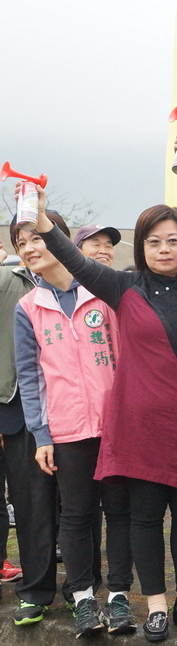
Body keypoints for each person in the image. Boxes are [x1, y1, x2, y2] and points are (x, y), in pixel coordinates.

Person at [37, 196, 177, 643]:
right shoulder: (124, 288)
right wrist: (45, 222)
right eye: (155, 241)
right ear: (142, 247)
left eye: (173, 241)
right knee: (144, 517)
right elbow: (73, 260)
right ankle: (157, 606)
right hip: (139, 426)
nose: (164, 249)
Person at [13, 211, 135, 637]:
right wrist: (41, 435)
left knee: (120, 512)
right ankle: (83, 597)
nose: (28, 248)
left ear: (58, 241)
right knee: (77, 515)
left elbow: (127, 358)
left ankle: (119, 596)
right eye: (19, 242)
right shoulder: (28, 308)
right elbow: (30, 378)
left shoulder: (103, 295)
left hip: (115, 426)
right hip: (66, 431)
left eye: (35, 238)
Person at [1, 229, 41, 623]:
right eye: (22, 243)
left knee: (33, 503)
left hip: (44, 410)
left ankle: (38, 580)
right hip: (10, 402)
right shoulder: (7, 281)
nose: (31, 248)